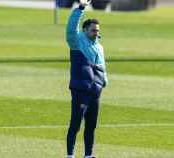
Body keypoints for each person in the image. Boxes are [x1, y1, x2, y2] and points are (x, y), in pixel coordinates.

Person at [65, 0, 108, 158]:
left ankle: (88, 155)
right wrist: (81, 8)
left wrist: (104, 81)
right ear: (84, 30)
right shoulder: (76, 42)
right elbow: (70, 29)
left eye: (97, 30)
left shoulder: (99, 46)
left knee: (91, 125)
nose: (96, 33)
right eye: (93, 30)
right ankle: (70, 155)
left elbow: (101, 65)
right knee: (75, 124)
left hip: (95, 91)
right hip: (80, 90)